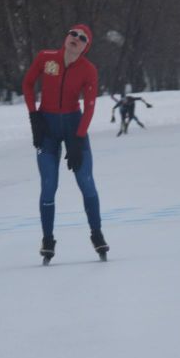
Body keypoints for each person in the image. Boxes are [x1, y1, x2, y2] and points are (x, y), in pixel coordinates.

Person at [22, 24, 109, 263]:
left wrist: (79, 139)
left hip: (73, 125)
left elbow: (89, 107)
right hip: (47, 126)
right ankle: (48, 240)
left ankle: (97, 234)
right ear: (66, 36)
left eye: (82, 38)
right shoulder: (46, 58)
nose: (76, 39)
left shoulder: (88, 70)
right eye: (73, 34)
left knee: (86, 181)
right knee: (49, 185)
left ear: (85, 47)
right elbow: (27, 84)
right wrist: (34, 116)